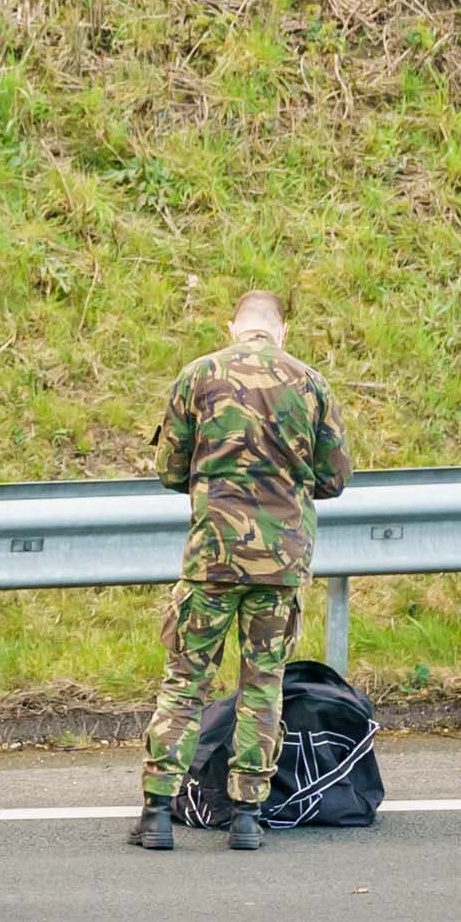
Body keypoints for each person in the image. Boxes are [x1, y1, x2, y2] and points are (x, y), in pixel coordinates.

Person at [131, 290, 353, 853]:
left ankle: (157, 813)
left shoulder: (198, 376)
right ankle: (248, 816)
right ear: (282, 331)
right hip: (280, 564)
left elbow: (169, 470)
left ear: (233, 327)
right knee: (263, 684)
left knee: (185, 682)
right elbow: (333, 479)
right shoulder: (311, 383)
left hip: (212, 558)